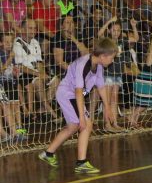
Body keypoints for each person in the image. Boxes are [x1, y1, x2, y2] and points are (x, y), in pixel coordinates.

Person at [38, 37, 118, 174]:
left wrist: (108, 108)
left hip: (73, 96)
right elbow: (78, 91)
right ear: (103, 56)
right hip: (68, 94)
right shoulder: (83, 64)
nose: (113, 60)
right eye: (112, 57)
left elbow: (101, 87)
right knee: (86, 124)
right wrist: (82, 116)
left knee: (73, 127)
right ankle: (81, 163)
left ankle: (48, 153)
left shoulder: (98, 65)